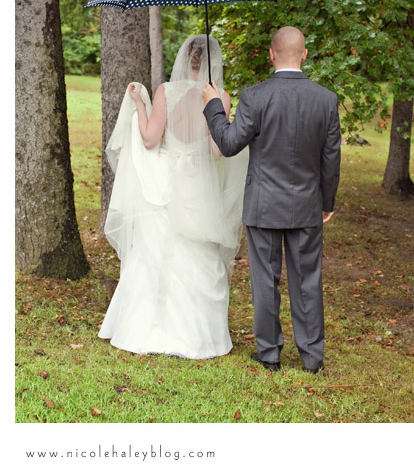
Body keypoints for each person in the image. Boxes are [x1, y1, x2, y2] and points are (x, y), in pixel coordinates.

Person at [202, 26, 341, 374]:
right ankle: (312, 357)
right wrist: (327, 202)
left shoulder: (255, 97)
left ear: (271, 54)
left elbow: (229, 144)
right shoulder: (326, 99)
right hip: (307, 204)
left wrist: (214, 107)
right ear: (304, 54)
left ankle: (269, 354)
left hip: (263, 205)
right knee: (307, 280)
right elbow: (331, 158)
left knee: (265, 280)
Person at [99, 35, 248, 359]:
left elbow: (150, 140)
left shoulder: (165, 91)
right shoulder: (220, 96)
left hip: (164, 184)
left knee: (154, 254)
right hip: (198, 183)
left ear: (185, 58)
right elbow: (218, 150)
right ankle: (196, 336)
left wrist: (140, 105)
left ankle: (141, 329)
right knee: (197, 254)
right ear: (213, 62)